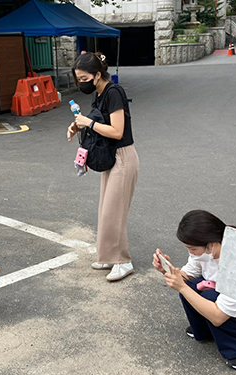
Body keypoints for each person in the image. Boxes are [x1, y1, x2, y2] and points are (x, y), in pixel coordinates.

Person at [152, 210, 236, 370]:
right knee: (194, 287)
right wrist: (167, 270)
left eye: (192, 248)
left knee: (206, 295)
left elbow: (218, 317)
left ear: (211, 245)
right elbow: (187, 276)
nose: (190, 253)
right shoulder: (206, 251)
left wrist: (182, 287)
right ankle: (206, 331)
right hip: (231, 302)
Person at [67, 52, 139, 282]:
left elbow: (117, 131)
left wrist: (88, 122)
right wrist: (78, 126)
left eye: (84, 79)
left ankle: (123, 261)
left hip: (123, 156)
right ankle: (108, 255)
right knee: (105, 209)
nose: (81, 84)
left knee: (114, 211)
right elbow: (99, 122)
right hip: (110, 156)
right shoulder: (99, 94)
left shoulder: (114, 92)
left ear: (98, 75)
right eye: (78, 80)